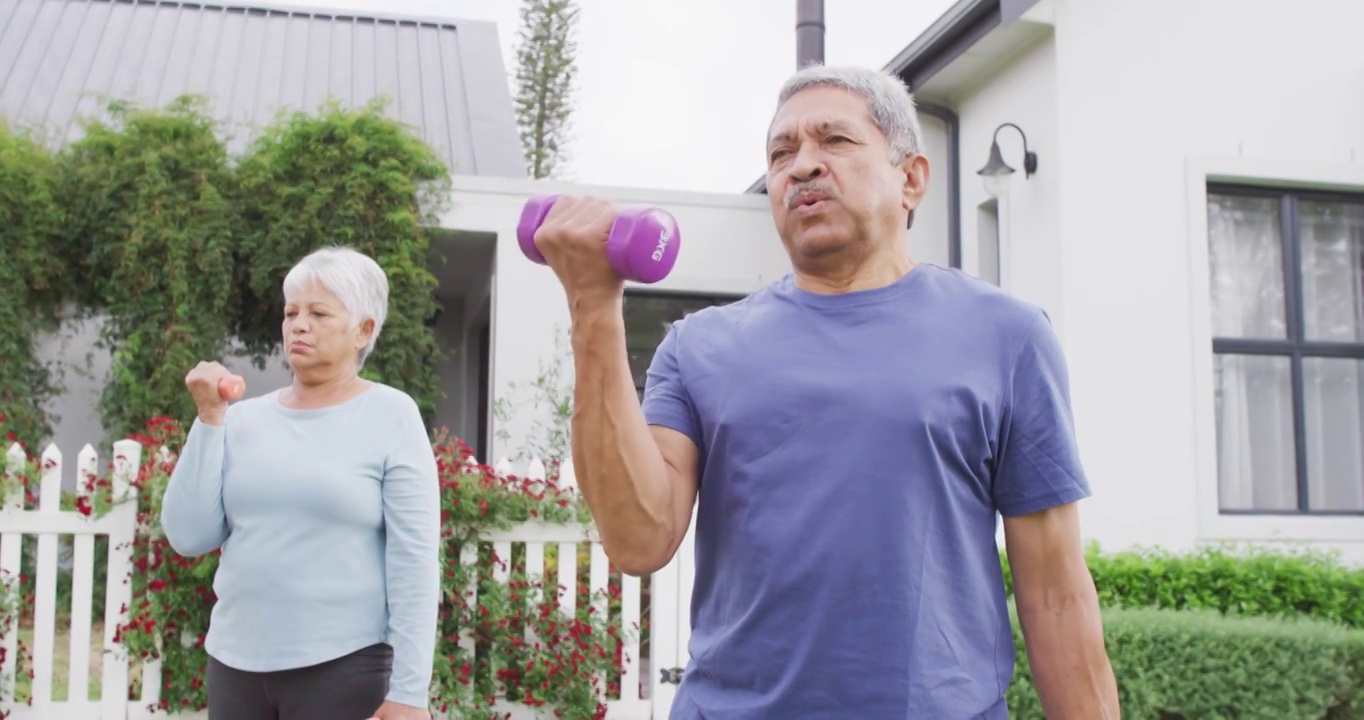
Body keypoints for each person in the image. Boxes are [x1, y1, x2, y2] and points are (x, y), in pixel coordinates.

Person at [529, 65, 1120, 718]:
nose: (801, 166)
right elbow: (639, 539)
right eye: (781, 152)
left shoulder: (1007, 337)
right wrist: (592, 303)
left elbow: (1057, 596)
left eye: (833, 141)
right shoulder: (698, 349)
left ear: (911, 177)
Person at [160, 246, 440, 720]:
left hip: (343, 670)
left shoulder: (391, 415)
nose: (298, 324)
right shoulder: (241, 420)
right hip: (234, 666)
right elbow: (189, 537)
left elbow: (414, 560)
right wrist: (210, 418)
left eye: (318, 312)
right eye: (291, 312)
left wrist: (410, 693)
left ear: (364, 330)